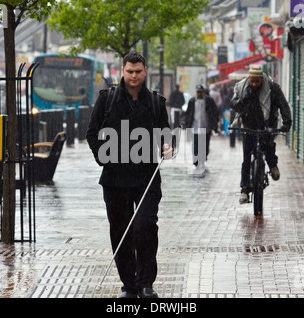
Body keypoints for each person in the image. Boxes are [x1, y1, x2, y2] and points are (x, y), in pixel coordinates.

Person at [86, 52, 173, 298]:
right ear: (122, 71)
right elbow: (92, 133)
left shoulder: (157, 102)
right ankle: (129, 285)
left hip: (147, 178)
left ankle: (146, 283)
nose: (134, 76)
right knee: (120, 231)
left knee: (145, 227)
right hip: (115, 179)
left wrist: (168, 146)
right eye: (129, 71)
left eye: (138, 71)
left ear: (145, 72)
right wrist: (103, 158)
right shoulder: (107, 99)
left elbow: (165, 132)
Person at [231, 65, 292, 204]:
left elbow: (283, 105)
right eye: (252, 81)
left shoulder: (272, 88)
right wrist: (245, 99)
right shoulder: (242, 87)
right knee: (246, 158)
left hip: (267, 125)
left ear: (262, 79)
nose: (254, 84)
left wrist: (286, 123)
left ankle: (272, 165)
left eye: (256, 82)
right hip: (249, 126)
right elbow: (234, 104)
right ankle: (245, 189)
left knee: (269, 147)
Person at [185, 84, 218, 173]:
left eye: (200, 91)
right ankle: (196, 160)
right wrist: (187, 124)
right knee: (196, 144)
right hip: (195, 126)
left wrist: (214, 125)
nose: (199, 93)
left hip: (206, 126)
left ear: (203, 92)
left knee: (205, 145)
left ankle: (203, 159)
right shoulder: (192, 101)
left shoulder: (209, 101)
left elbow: (214, 112)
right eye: (197, 91)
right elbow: (188, 113)